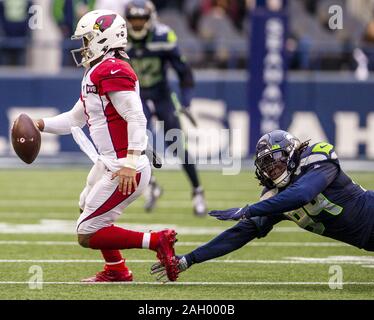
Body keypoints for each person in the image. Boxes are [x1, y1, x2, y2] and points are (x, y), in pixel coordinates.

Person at [35, 9, 178, 282]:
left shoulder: (113, 69)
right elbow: (75, 119)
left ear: (104, 38)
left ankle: (157, 240)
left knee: (87, 232)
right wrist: (40, 124)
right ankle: (117, 269)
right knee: (86, 206)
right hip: (109, 162)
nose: (84, 46)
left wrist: (130, 162)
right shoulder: (98, 70)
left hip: (125, 166)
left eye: (88, 39)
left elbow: (136, 116)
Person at [151, 130, 374, 281]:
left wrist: (248, 209)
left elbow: (303, 194)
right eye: (266, 164)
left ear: (291, 153)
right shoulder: (274, 196)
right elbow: (240, 233)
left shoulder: (315, 157)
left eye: (275, 159)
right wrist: (188, 259)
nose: (272, 168)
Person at [124, 0, 207, 216]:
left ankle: (197, 190)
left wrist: (186, 101)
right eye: (133, 20)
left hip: (162, 95)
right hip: (138, 96)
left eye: (141, 19)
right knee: (138, 143)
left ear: (150, 19)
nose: (138, 24)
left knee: (177, 144)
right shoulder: (121, 38)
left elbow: (184, 71)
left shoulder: (163, 36)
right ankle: (151, 184)